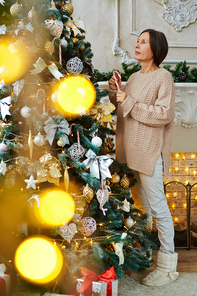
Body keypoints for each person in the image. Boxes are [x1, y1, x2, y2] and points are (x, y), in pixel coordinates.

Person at [108, 29, 179, 287]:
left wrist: (128, 100)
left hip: (149, 150)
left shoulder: (165, 77)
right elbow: (123, 107)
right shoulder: (134, 77)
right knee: (141, 207)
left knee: (158, 207)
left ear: (155, 49)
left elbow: (163, 115)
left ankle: (168, 266)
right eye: (137, 41)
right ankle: (144, 256)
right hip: (131, 149)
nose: (137, 45)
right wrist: (115, 90)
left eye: (143, 42)